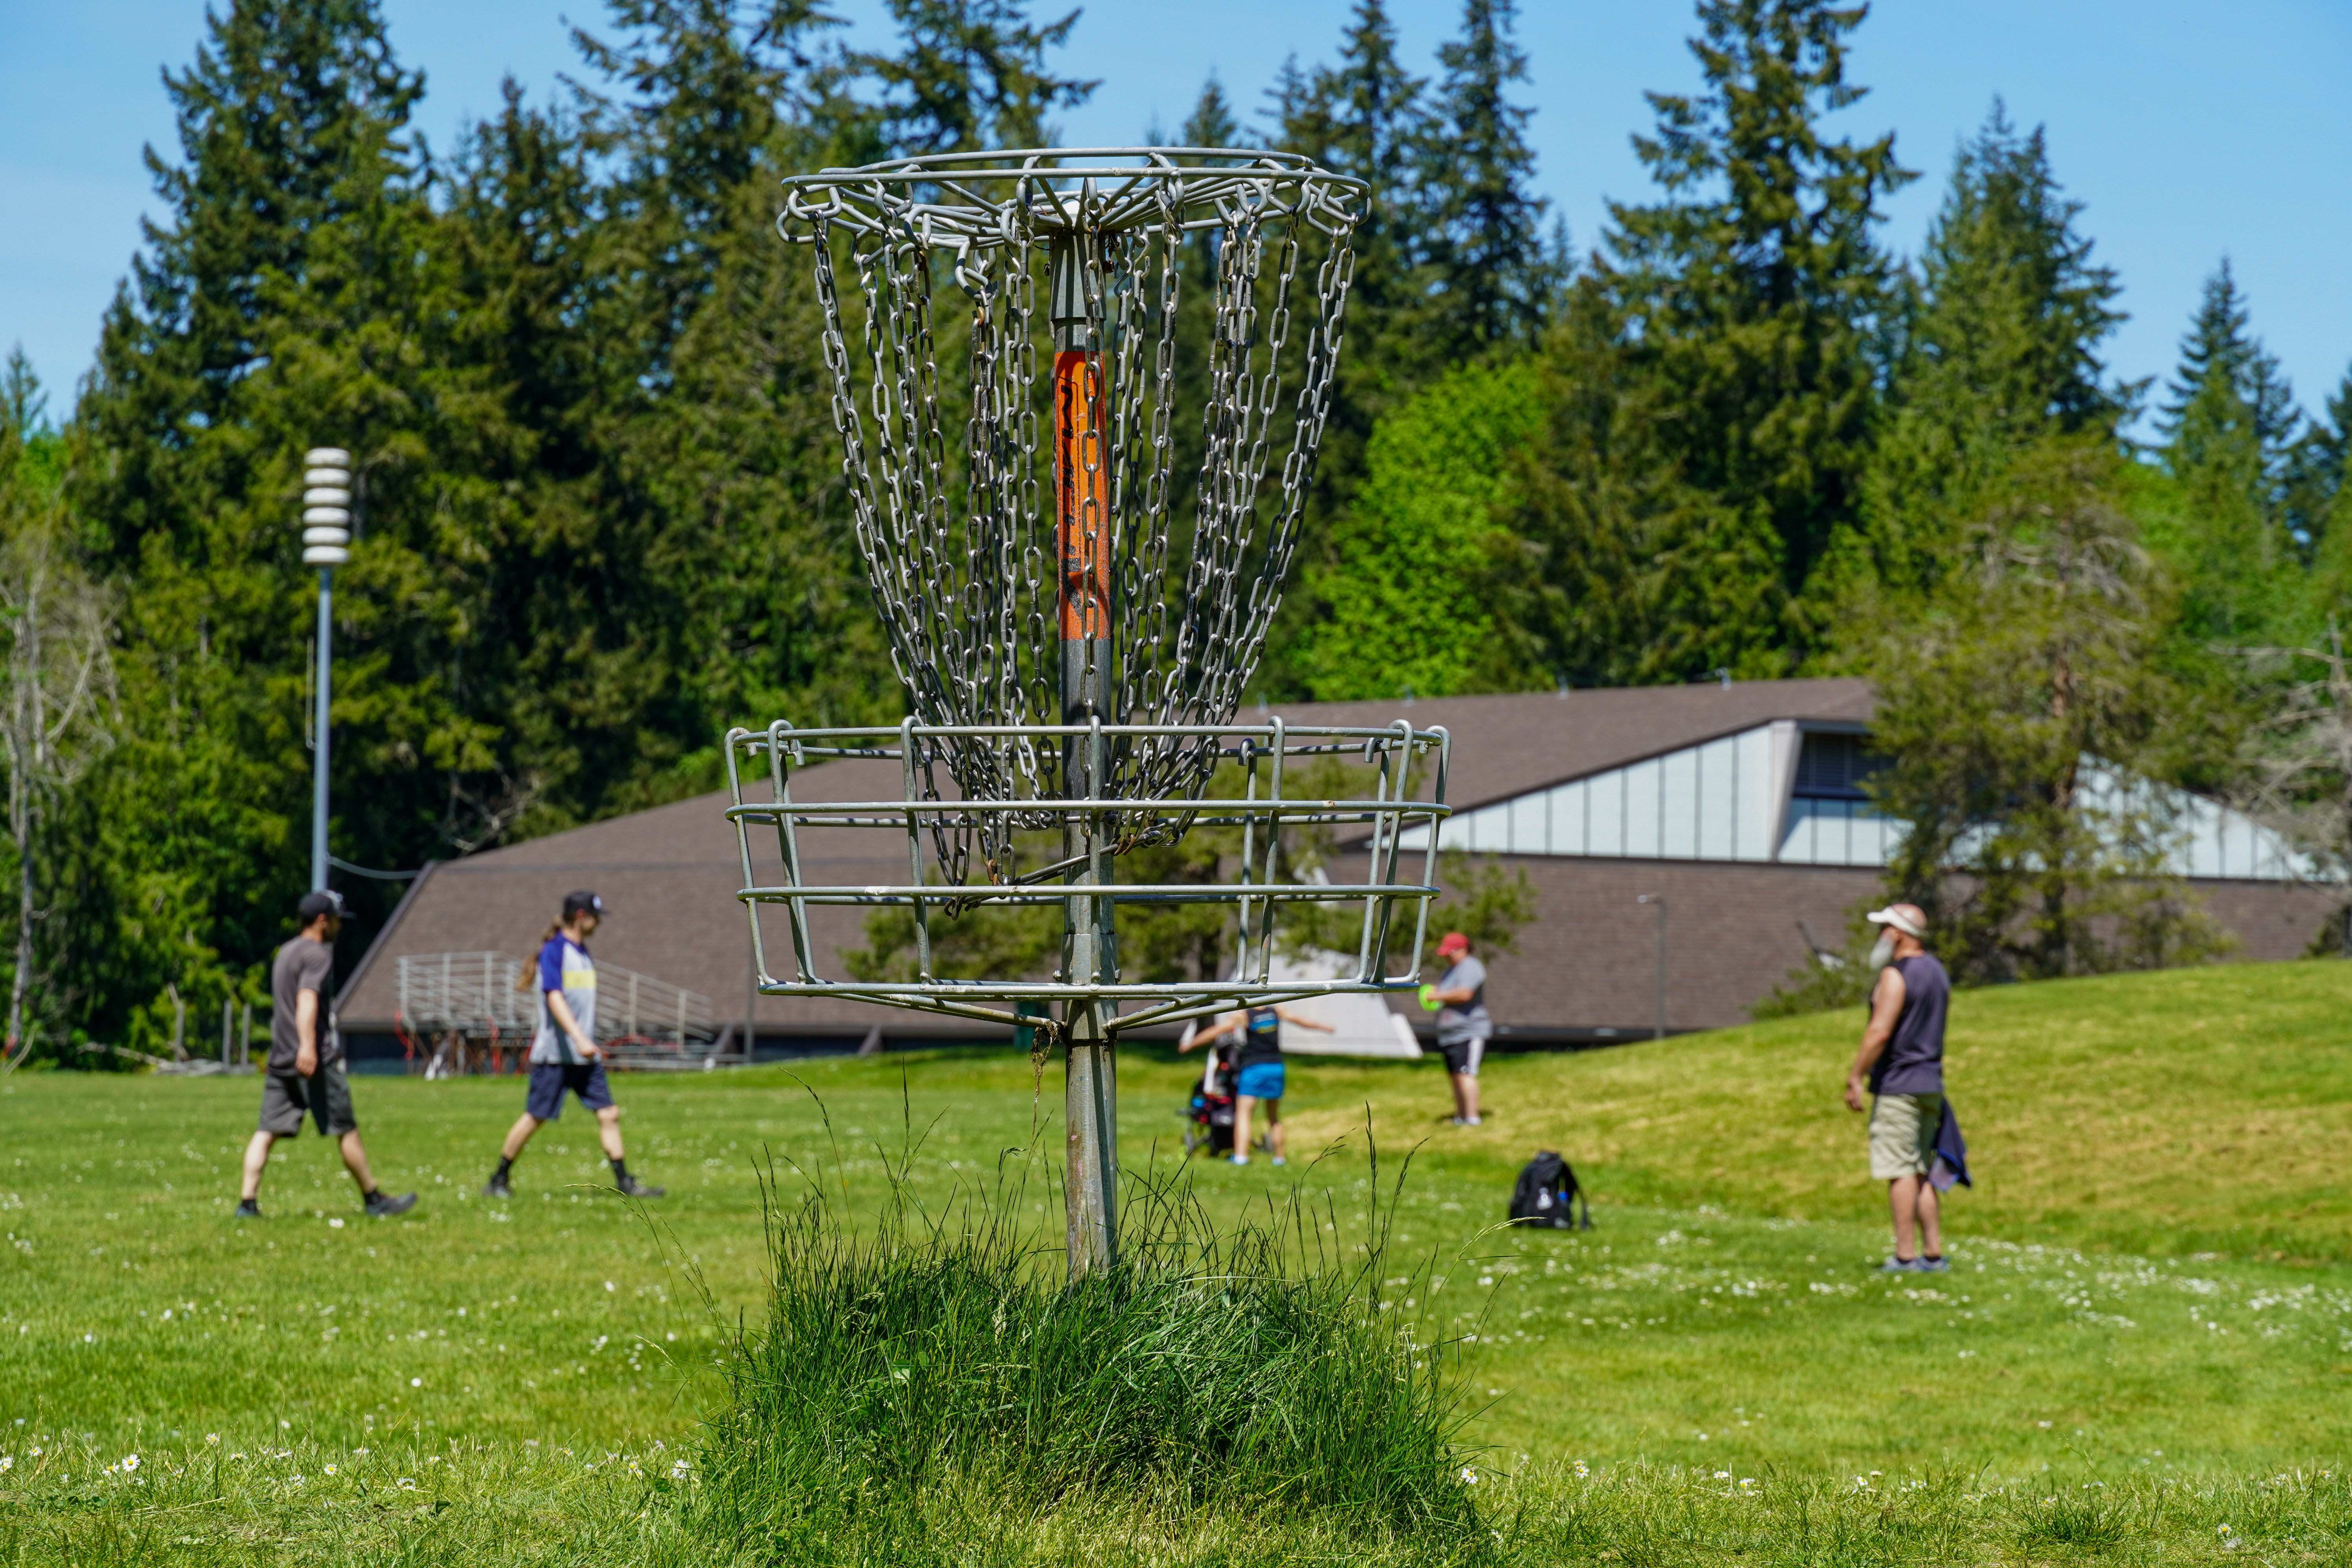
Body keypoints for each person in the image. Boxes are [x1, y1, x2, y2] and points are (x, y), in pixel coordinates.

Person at [236, 891, 417, 1220]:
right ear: (323, 921)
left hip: (280, 1058)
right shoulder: (317, 955)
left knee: (266, 1131)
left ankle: (247, 1204)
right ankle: (374, 1199)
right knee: (345, 1128)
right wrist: (308, 1047)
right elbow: (307, 1000)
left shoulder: (286, 952)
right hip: (311, 1059)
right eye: (336, 921)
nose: (339, 927)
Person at [484, 891, 664, 1199]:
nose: (599, 923)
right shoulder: (554, 951)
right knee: (535, 1117)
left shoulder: (582, 952)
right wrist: (579, 1037)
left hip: (584, 1056)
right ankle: (498, 1180)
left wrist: (586, 1042)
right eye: (596, 916)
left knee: (608, 1113)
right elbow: (553, 996)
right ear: (581, 916)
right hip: (557, 1054)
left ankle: (626, 1183)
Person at [1844, 902, 1951, 1273]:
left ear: (1897, 933)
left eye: (1884, 929)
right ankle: (1933, 1255)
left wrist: (1856, 1075)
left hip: (1899, 1085)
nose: (1880, 936)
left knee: (1900, 1169)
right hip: (1931, 1083)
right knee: (1920, 1168)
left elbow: (1880, 1031)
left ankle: (1905, 1257)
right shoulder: (1937, 972)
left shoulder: (1896, 975)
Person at [1179, 1003, 1332, 1166]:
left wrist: (1190, 1044)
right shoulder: (1276, 1011)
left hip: (1254, 1069)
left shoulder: (1244, 1015)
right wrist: (1325, 1027)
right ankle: (1279, 1159)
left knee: (1244, 1115)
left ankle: (1241, 1157)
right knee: (1273, 1117)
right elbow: (1302, 1021)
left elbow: (1214, 1033)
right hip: (1276, 1067)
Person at [1426, 931, 1492, 1126]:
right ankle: (1461, 1116)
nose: (1447, 957)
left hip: (1469, 1031)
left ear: (1463, 949)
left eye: (1451, 952)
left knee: (1466, 1075)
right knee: (1455, 1076)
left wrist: (1437, 996)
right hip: (1450, 1034)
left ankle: (1472, 1118)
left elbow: (1465, 994)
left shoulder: (1471, 966)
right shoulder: (1450, 971)